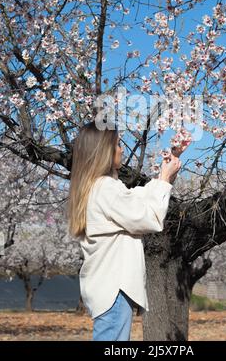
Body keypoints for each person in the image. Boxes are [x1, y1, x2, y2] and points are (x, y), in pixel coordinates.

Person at [67, 121, 188, 341]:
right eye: (117, 144)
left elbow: (137, 199)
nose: (122, 149)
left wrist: (166, 173)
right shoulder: (105, 188)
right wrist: (163, 180)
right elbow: (147, 217)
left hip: (107, 287)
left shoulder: (99, 187)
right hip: (114, 288)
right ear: (103, 150)